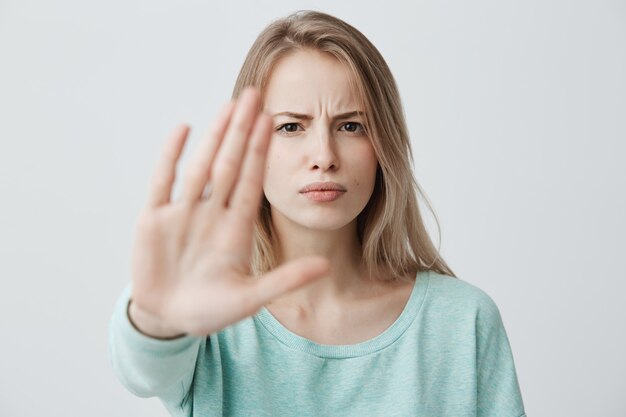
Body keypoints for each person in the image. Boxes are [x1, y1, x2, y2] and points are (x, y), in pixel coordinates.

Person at [109, 10, 526, 417]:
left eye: (351, 126)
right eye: (291, 127)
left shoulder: (462, 322)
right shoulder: (210, 317)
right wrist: (154, 315)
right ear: (250, 147)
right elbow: (142, 371)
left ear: (385, 146)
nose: (324, 157)